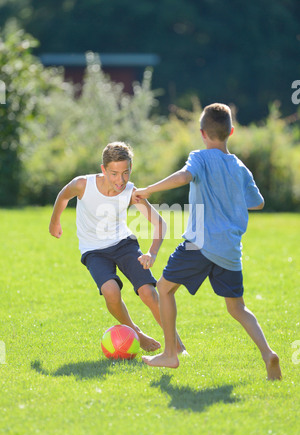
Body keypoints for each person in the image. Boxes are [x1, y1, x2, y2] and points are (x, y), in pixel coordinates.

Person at [135, 103, 282, 380]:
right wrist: (229, 200)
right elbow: (258, 202)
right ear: (231, 132)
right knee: (237, 307)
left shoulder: (199, 158)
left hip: (199, 242)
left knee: (164, 288)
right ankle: (267, 353)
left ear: (202, 133)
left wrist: (149, 189)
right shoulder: (240, 168)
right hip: (230, 249)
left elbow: (184, 176)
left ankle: (169, 354)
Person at [49, 141, 185, 353]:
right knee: (110, 292)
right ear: (103, 170)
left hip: (124, 245)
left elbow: (159, 223)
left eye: (125, 173)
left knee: (149, 292)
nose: (120, 180)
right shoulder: (83, 184)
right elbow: (63, 195)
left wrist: (152, 252)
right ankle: (136, 333)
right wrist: (54, 221)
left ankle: (177, 346)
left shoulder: (131, 192)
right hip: (93, 250)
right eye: (114, 174)